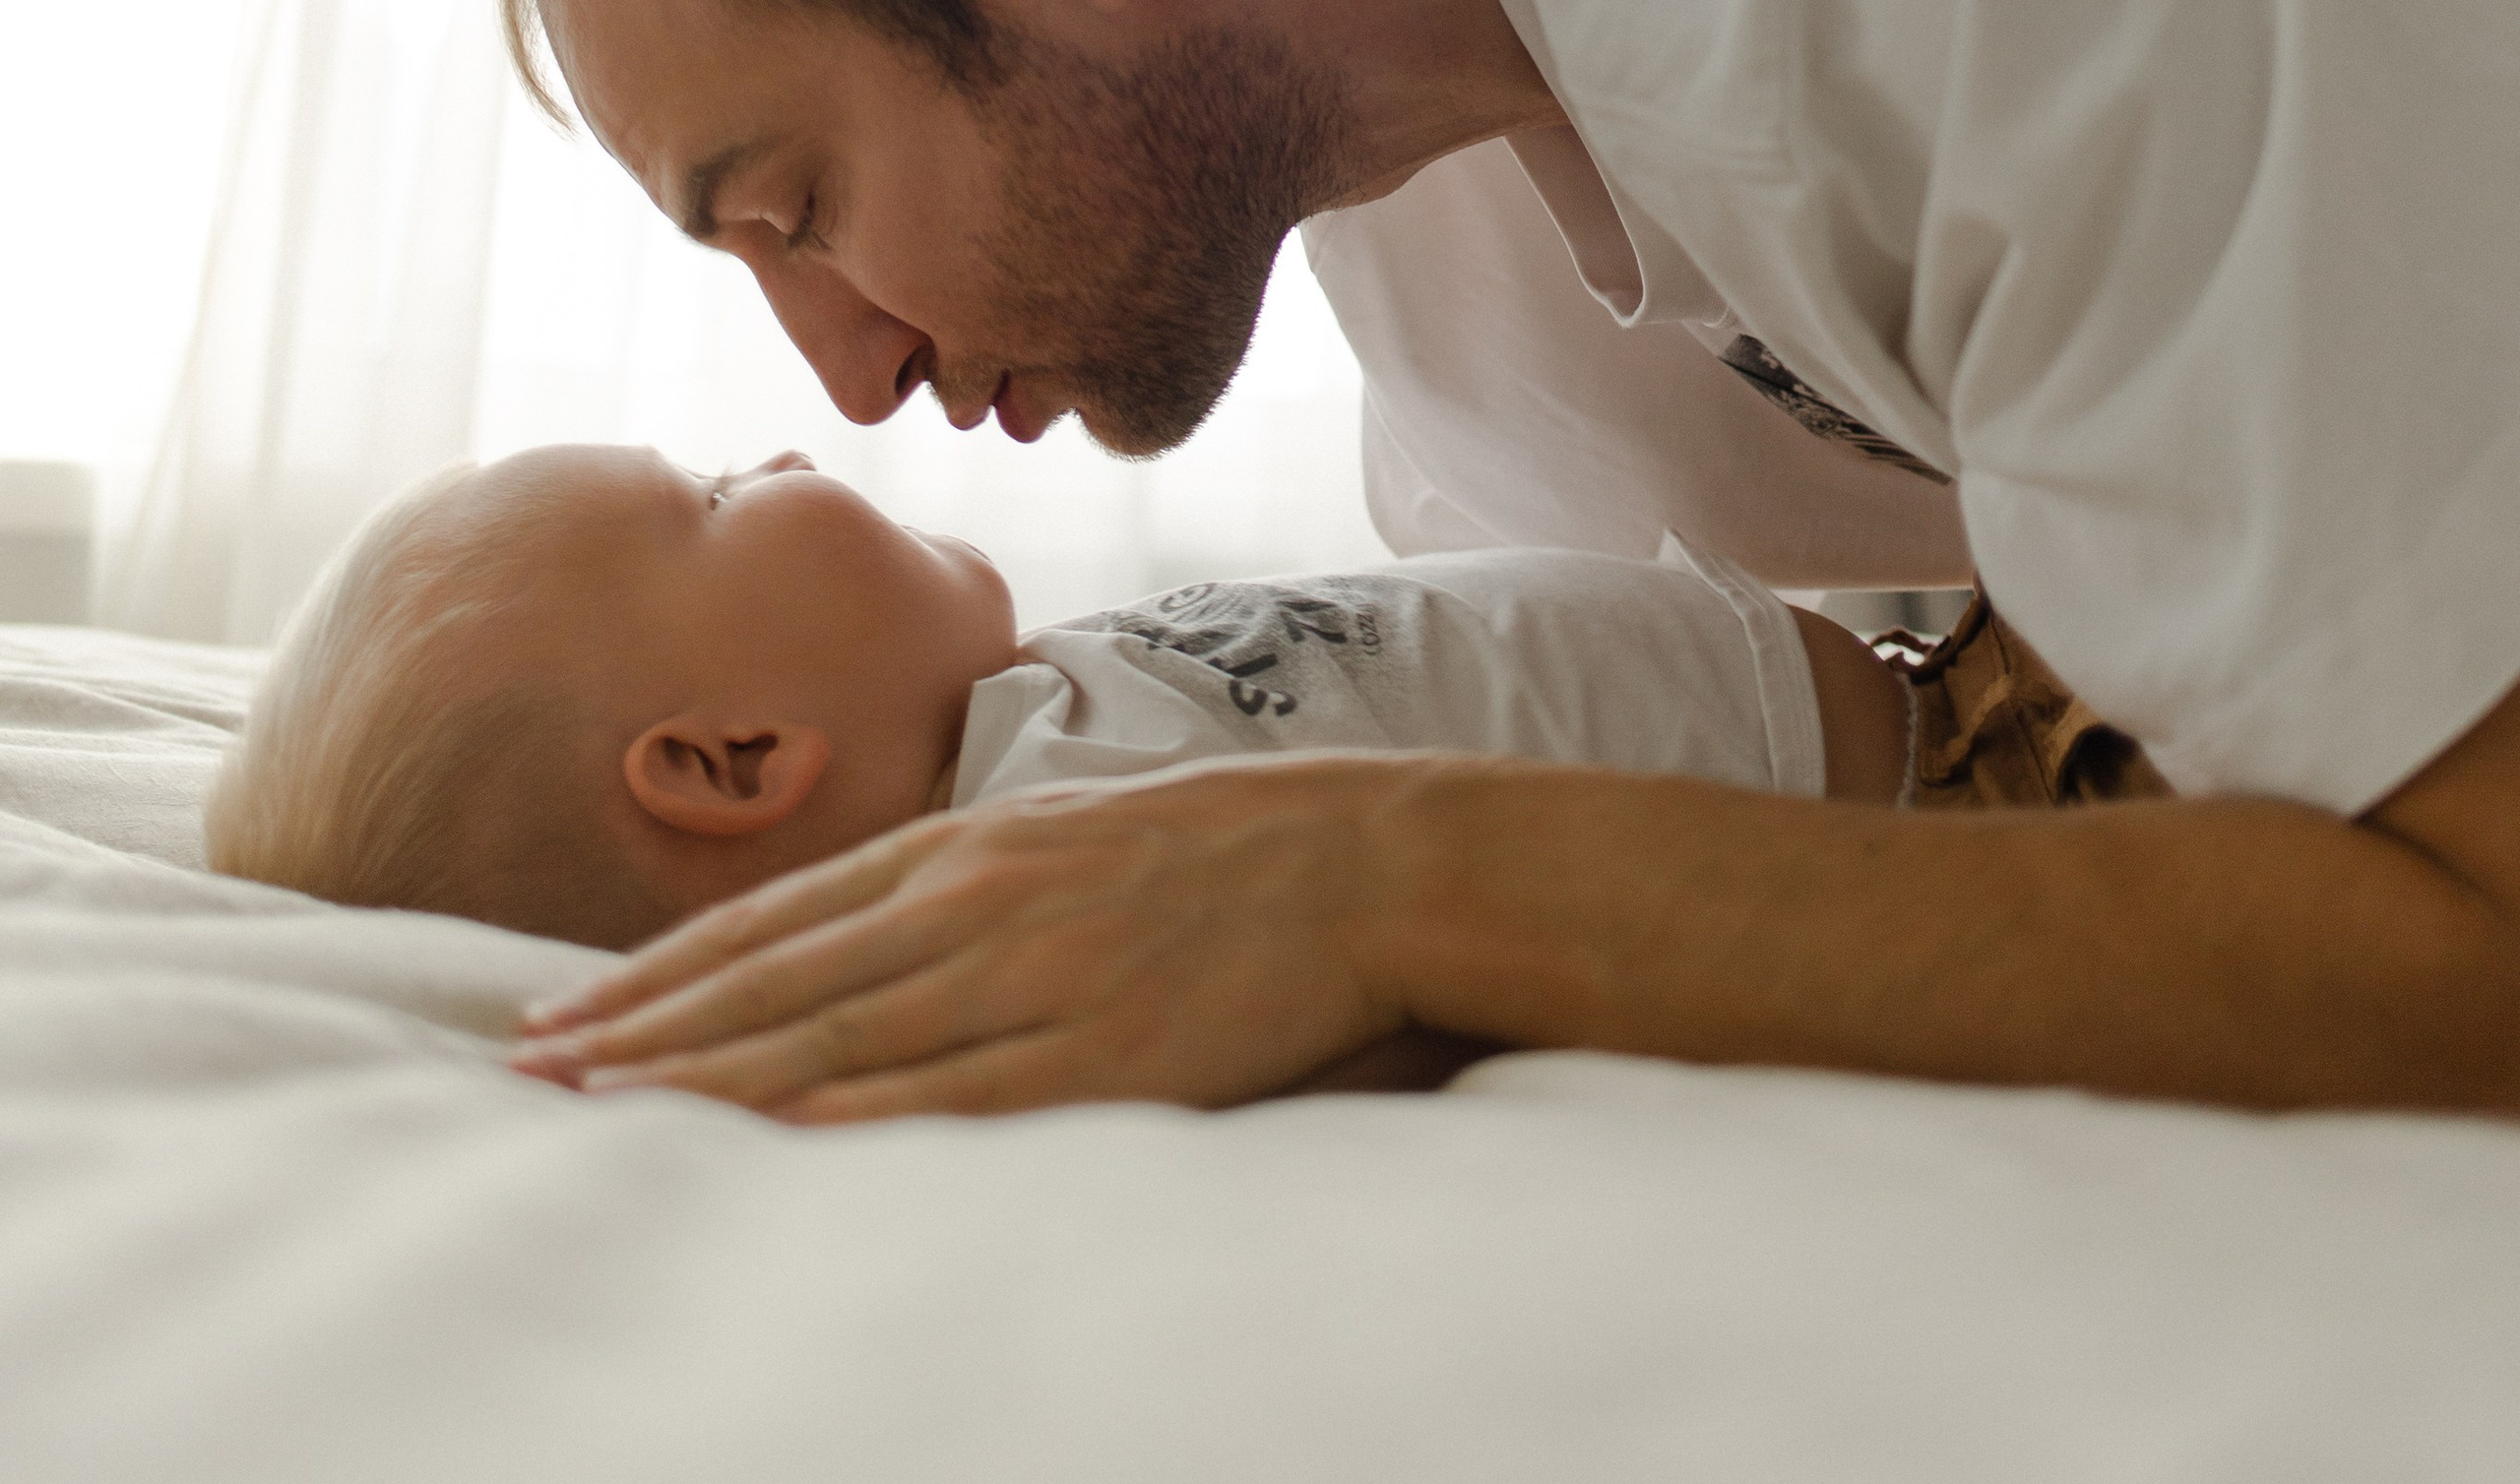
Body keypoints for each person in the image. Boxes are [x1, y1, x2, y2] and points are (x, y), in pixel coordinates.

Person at [485, 0, 2520, 1123]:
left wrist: (1378, 876)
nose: (847, 377)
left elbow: (2476, 927)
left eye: (796, 209)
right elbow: (1760, 836)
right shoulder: (1398, 165)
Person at [203, 447, 1910, 969]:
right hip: (1956, 808)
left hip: (1939, 668)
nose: (785, 454)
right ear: (731, 761)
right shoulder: (1058, 859)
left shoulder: (1013, 713)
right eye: (713, 496)